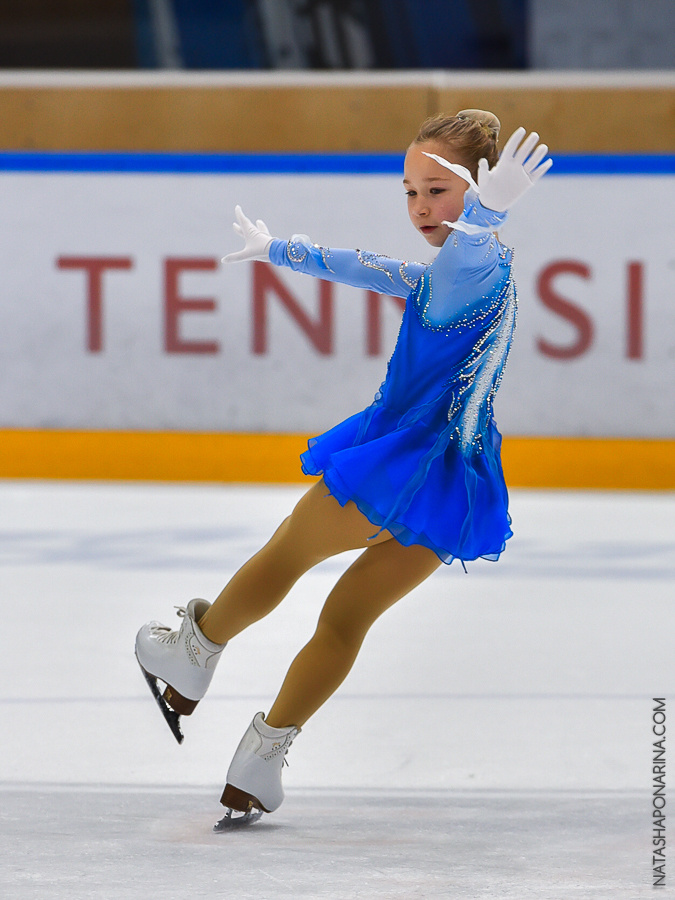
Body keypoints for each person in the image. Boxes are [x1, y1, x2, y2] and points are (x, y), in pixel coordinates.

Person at [135, 110, 552, 828]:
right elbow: (374, 269)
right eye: (410, 192)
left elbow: (466, 250)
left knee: (286, 553)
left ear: (476, 189)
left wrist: (483, 211)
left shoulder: (470, 258)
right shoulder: (463, 272)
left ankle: (193, 650)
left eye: (437, 190)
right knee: (344, 625)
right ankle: (260, 763)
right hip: (452, 494)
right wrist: (281, 251)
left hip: (396, 469)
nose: (421, 207)